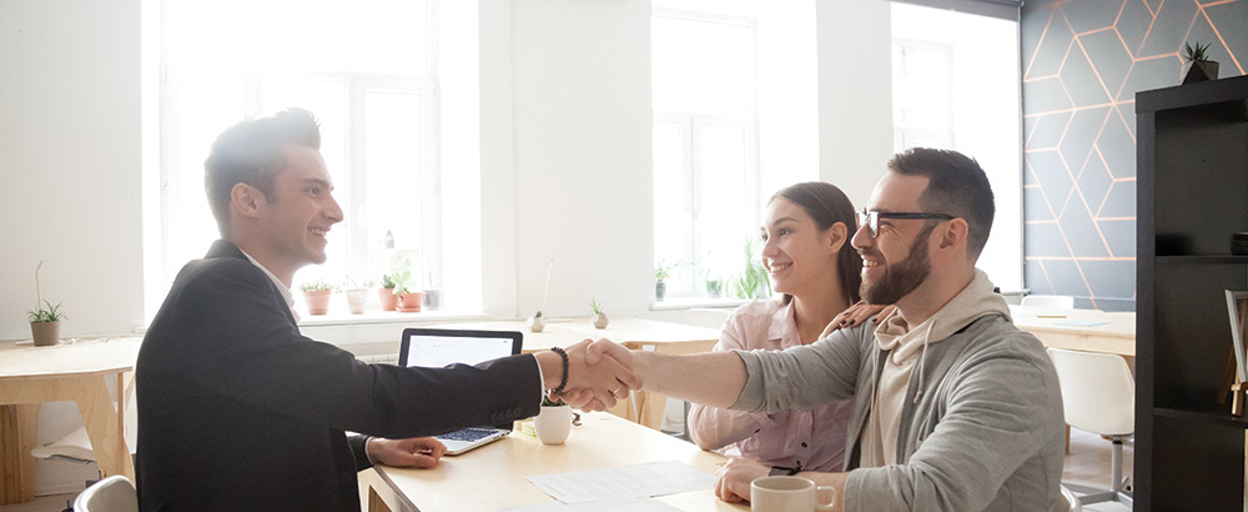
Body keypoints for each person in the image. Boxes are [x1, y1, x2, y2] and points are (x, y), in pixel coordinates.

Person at [135, 108, 636, 511]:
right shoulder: (218, 292)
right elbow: (377, 398)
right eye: (313, 190)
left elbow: (267, 432)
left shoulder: (230, 286)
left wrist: (369, 449)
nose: (335, 210)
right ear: (247, 199)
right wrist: (550, 366)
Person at [578, 148, 1064, 512]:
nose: (860, 239)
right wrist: (634, 367)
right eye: (863, 220)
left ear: (949, 235)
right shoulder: (879, 334)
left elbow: (932, 493)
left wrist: (779, 482)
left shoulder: (1007, 365)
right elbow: (774, 376)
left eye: (882, 222)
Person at [687, 181, 861, 478]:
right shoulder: (748, 325)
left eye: (784, 232)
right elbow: (702, 429)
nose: (767, 251)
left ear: (834, 238)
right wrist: (770, 390)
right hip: (741, 497)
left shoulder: (874, 333)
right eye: (764, 236)